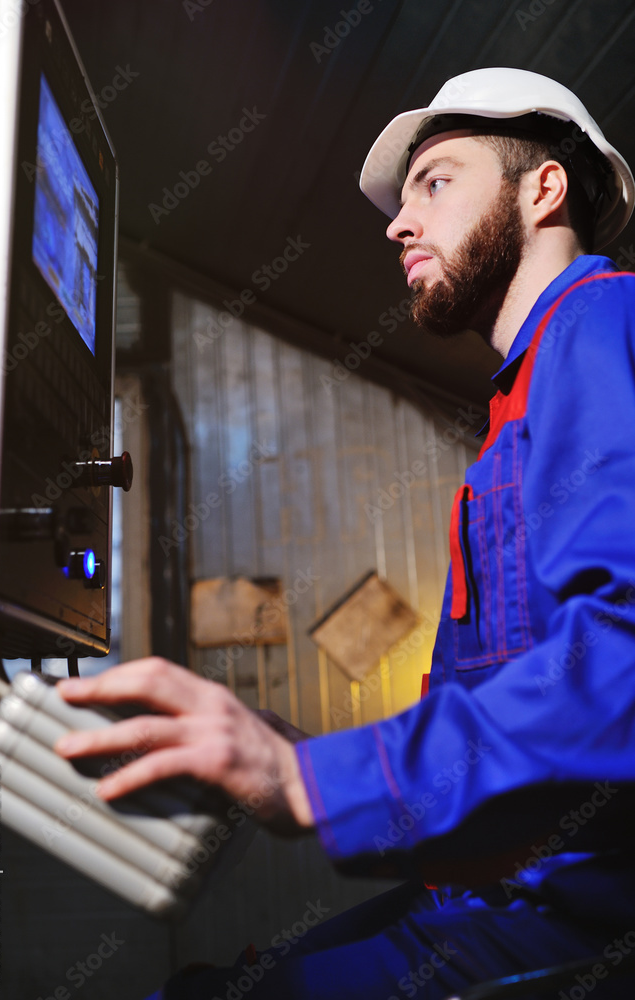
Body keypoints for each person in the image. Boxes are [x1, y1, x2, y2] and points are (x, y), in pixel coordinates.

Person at [55, 67, 635, 998]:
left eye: (435, 182)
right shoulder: (514, 410)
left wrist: (308, 779)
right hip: (491, 892)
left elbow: (620, 666)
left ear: (544, 188)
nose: (397, 224)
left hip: (572, 916)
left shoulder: (604, 321)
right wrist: (289, 745)